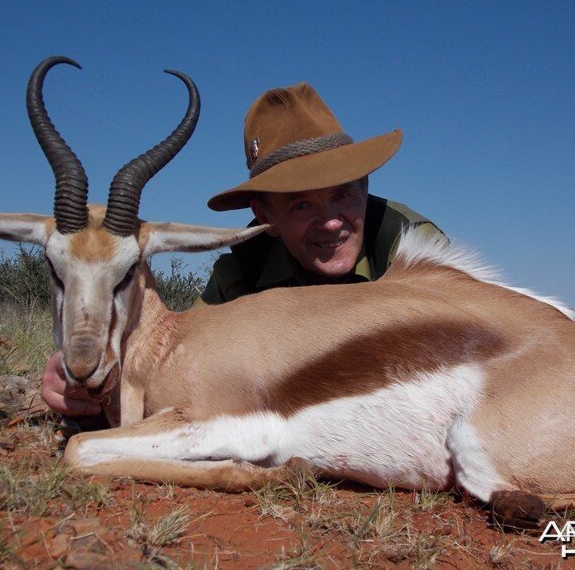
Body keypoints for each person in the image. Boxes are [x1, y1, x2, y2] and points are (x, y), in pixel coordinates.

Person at [42, 82, 443, 418]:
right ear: (263, 212)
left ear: (366, 186)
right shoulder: (241, 273)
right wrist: (88, 388)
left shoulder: (411, 244)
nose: (333, 222)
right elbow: (178, 363)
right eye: (301, 204)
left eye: (343, 194)